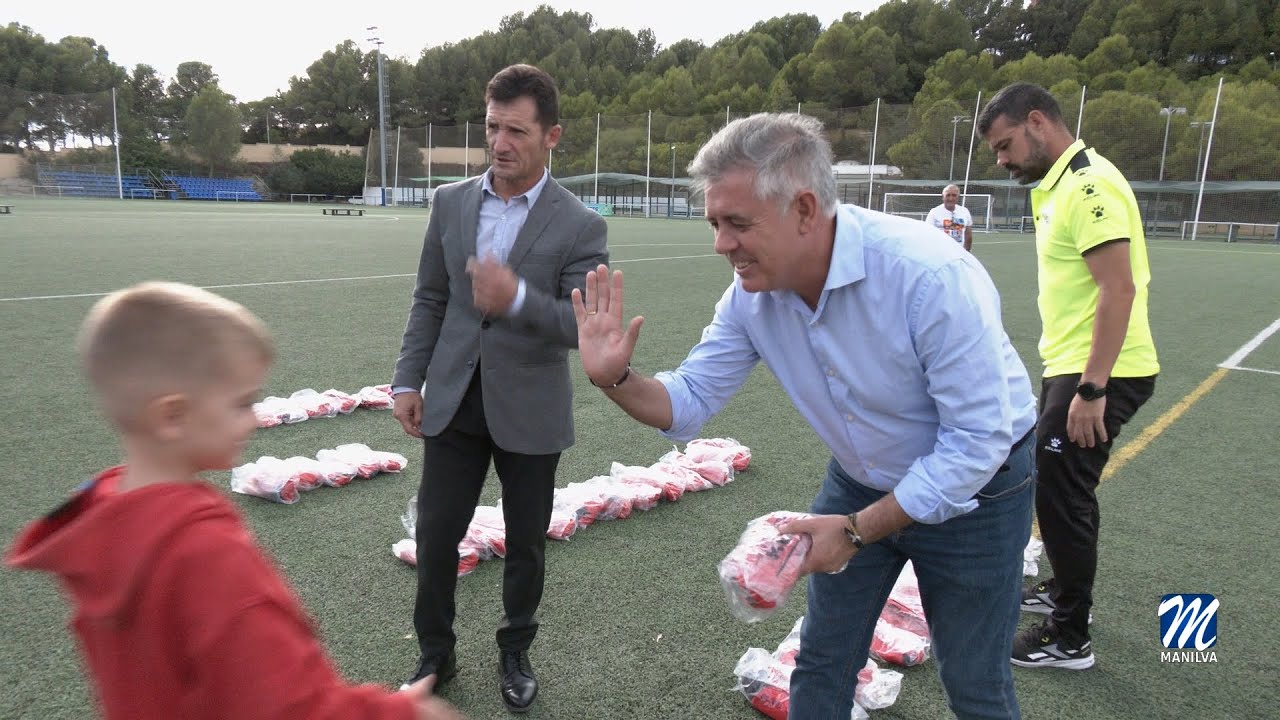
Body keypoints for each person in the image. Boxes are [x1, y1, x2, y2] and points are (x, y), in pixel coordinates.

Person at [573, 113, 1038, 719]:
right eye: (715, 223)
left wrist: (852, 530)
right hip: (862, 477)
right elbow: (684, 404)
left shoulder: (927, 274)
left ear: (806, 210)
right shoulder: (750, 298)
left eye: (738, 224)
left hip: (981, 490)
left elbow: (976, 442)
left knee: (975, 681)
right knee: (822, 660)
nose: (720, 244)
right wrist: (612, 376)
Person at [4, 282, 462, 720]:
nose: (252, 419)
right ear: (173, 416)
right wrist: (398, 712)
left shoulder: (103, 513)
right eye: (242, 404)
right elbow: (288, 706)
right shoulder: (201, 549)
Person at [390, 63, 608, 713]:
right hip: (454, 400)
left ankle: (515, 648)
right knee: (435, 533)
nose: (501, 142)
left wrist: (516, 298)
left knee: (526, 542)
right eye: (492, 127)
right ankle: (436, 650)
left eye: (517, 130)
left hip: (531, 408)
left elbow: (581, 325)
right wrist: (407, 378)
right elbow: (430, 297)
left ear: (552, 136)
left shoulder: (580, 225)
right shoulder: (451, 203)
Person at [978, 82, 1159, 670]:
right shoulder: (1056, 184)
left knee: (1061, 496)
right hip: (1072, 366)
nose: (1003, 162)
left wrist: (1092, 388)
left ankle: (1070, 637)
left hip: (1099, 372)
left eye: (1006, 146)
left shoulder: (1088, 185)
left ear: (1038, 121)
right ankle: (1062, 593)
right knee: (1061, 492)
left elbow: (1118, 287)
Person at [925, 184, 974, 251]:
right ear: (943, 197)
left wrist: (967, 252)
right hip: (941, 253)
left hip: (959, 253)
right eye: (948, 195)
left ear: (958, 197)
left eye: (954, 195)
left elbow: (968, 233)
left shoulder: (964, 211)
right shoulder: (934, 212)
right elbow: (928, 233)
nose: (951, 199)